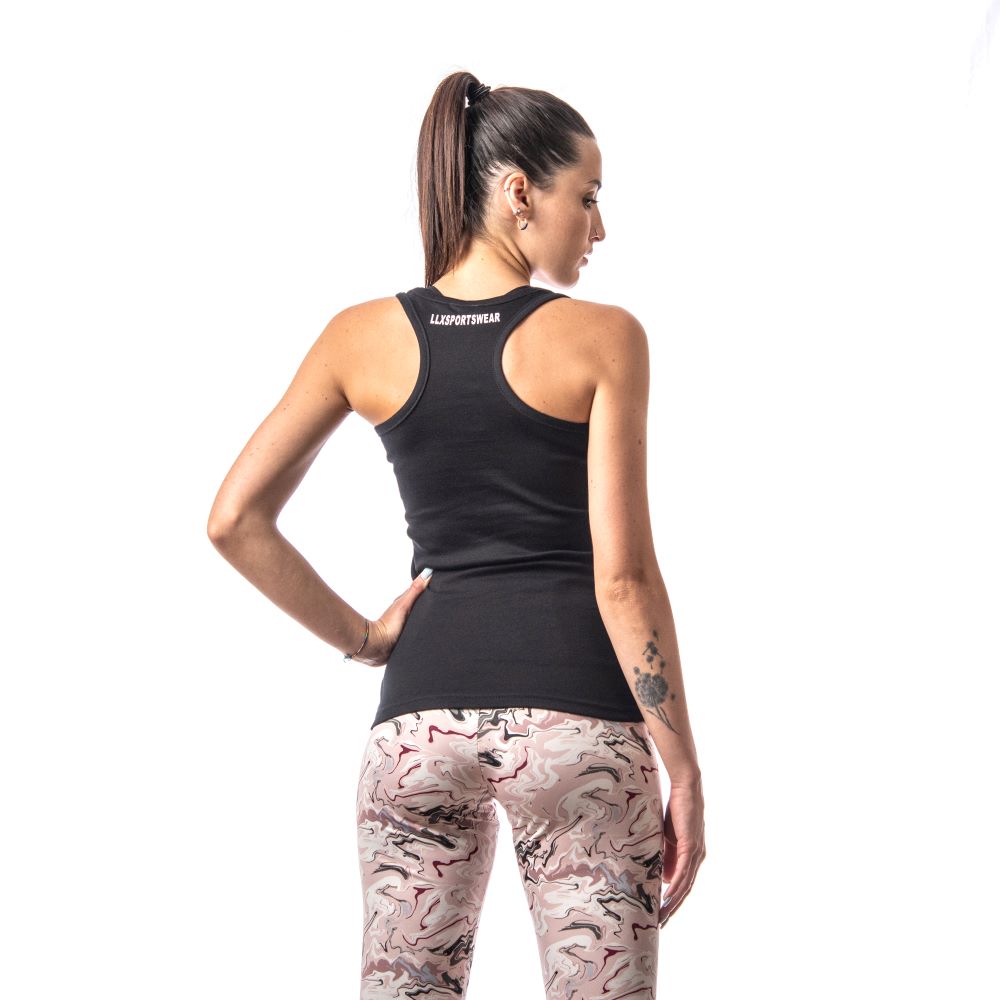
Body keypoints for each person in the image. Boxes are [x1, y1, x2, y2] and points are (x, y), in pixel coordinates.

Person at [208, 70, 706, 1000]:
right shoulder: (605, 337)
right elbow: (624, 578)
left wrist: (367, 639)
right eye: (587, 196)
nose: (598, 227)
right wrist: (680, 762)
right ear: (520, 192)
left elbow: (234, 520)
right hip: (577, 728)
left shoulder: (359, 337)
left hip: (415, 733)